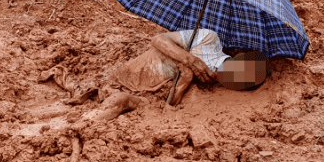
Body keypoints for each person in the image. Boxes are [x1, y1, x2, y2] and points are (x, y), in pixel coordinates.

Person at [111, 29, 268, 105]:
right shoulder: (209, 39)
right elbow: (158, 39)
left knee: (120, 102)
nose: (240, 80)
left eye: (245, 84)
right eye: (244, 73)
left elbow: (168, 106)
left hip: (140, 94)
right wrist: (190, 59)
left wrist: (184, 82)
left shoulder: (205, 87)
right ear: (238, 59)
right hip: (125, 76)